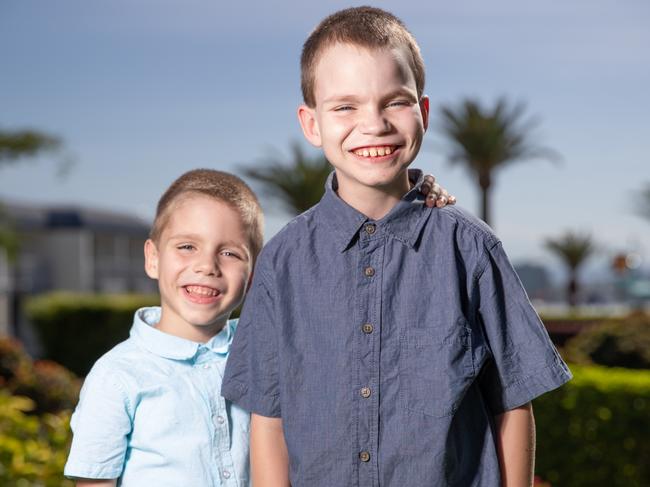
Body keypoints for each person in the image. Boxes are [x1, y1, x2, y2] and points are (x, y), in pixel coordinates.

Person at [221, 6, 572, 487]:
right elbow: (269, 416)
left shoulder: (471, 249)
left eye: (395, 102)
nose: (375, 123)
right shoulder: (282, 262)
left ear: (423, 113)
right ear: (311, 123)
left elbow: (512, 401)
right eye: (345, 106)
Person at [63, 168, 451, 487]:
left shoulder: (274, 351)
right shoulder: (116, 377)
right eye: (186, 247)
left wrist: (411, 194)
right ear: (152, 258)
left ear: (255, 275)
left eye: (230, 253)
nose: (207, 266)